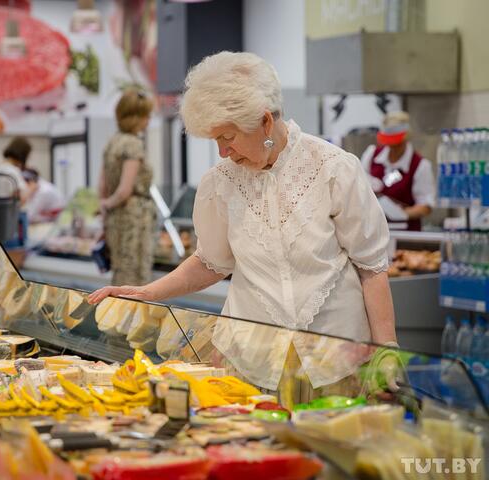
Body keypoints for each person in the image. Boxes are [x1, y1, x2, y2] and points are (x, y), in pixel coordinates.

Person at [89, 52, 399, 399]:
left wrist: (385, 348)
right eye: (215, 140)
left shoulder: (332, 168)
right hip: (253, 361)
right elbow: (211, 262)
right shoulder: (219, 183)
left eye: (228, 137)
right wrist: (146, 293)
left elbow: (371, 266)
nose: (223, 152)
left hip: (336, 360)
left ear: (265, 121)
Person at [98, 89, 155, 286]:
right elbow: (124, 190)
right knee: (135, 275)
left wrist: (105, 208)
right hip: (134, 217)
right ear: (136, 117)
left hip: (115, 219)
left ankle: (117, 313)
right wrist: (111, 202)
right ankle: (131, 316)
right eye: (146, 116)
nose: (148, 120)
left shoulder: (111, 143)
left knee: (120, 271)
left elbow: (103, 185)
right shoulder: (133, 144)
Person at [360, 111, 436, 231]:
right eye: (389, 143)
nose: (392, 148)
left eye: (396, 144)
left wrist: (401, 214)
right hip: (374, 232)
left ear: (406, 138)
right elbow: (359, 187)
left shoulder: (419, 165)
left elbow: (426, 205)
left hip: (406, 235)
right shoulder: (372, 155)